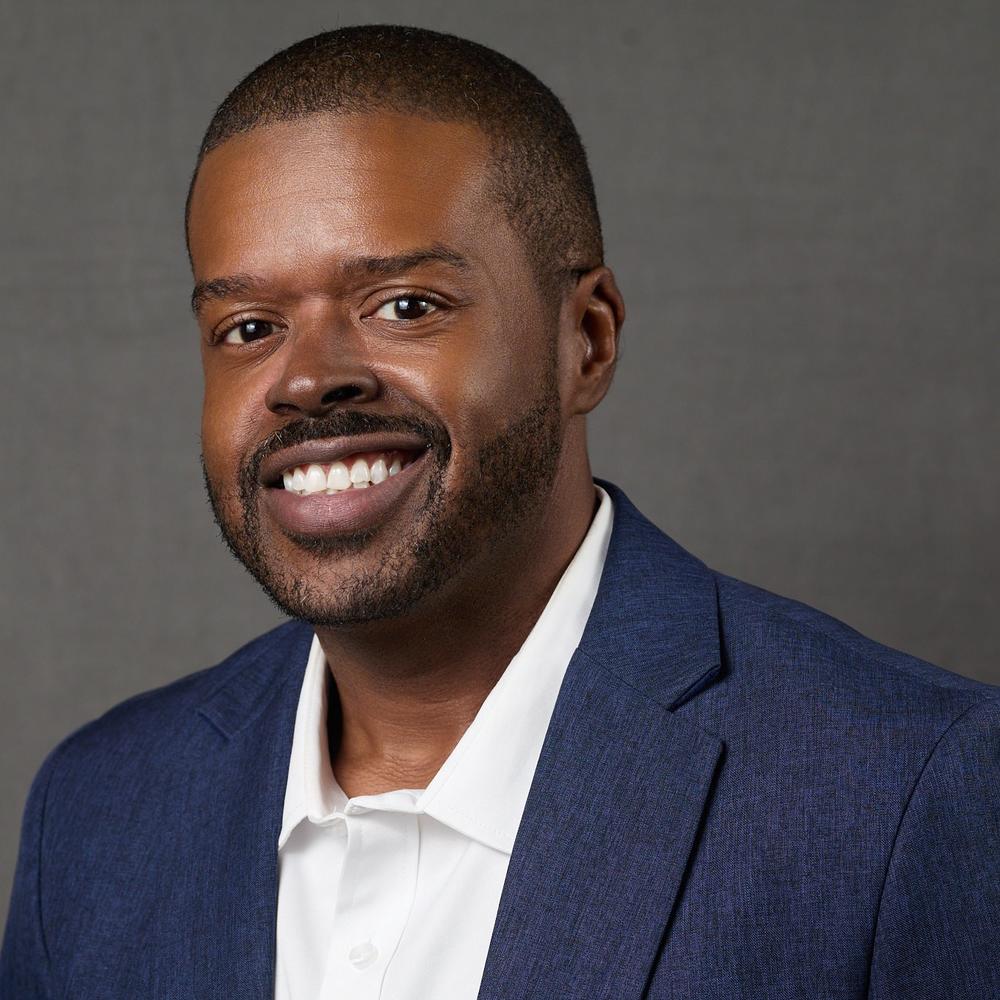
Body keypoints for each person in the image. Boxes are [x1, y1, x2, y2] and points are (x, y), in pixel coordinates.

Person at [2, 23, 998, 1000]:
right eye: (249, 327)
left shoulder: (906, 786)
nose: (305, 379)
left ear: (588, 340)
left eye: (404, 305)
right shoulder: (97, 811)